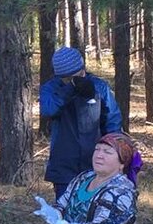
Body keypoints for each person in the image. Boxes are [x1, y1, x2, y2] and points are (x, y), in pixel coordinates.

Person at [39, 46, 123, 198]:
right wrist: (70, 89)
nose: (76, 80)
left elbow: (112, 121)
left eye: (78, 75)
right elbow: (48, 110)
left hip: (96, 163)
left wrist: (116, 152)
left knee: (94, 210)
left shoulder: (99, 87)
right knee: (66, 213)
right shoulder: (51, 88)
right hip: (64, 164)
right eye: (68, 78)